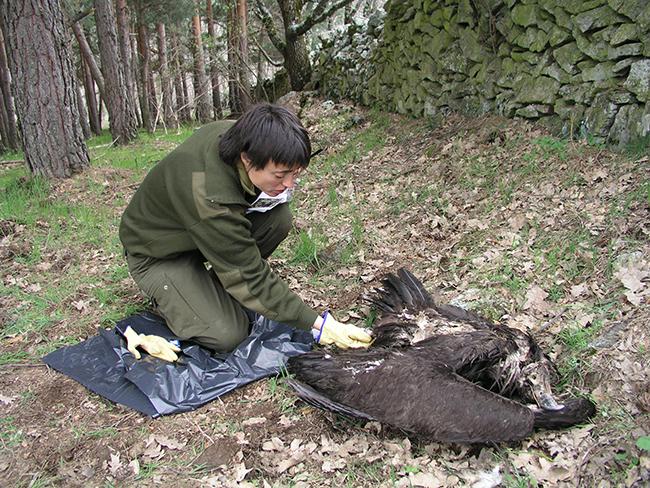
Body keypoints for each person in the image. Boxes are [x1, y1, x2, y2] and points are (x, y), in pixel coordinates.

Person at [119, 103, 372, 361]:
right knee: (228, 334)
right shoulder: (210, 195)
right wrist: (319, 324)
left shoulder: (244, 137)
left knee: (277, 219)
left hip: (196, 235)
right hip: (157, 255)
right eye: (280, 175)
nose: (288, 185)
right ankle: (174, 297)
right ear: (247, 159)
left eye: (295, 174)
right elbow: (251, 276)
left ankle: (210, 288)